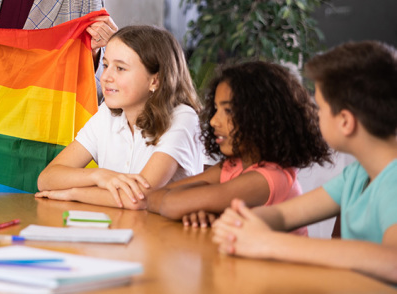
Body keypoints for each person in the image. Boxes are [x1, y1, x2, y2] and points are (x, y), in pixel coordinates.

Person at [212, 41, 397, 284]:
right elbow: (283, 216)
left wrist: (270, 243)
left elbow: (391, 261)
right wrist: (242, 223)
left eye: (320, 107)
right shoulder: (357, 175)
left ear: (345, 122)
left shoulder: (393, 181)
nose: (315, 114)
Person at [141, 61, 332, 230]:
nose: (214, 121)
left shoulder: (268, 178)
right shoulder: (233, 166)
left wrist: (196, 203)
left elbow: (171, 205)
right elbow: (154, 197)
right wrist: (197, 205)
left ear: (263, 117)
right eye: (216, 109)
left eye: (229, 110)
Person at [35, 25, 203, 206]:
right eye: (106, 65)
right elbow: (46, 179)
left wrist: (73, 193)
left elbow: (139, 199)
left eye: (120, 68)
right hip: (116, 228)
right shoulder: (107, 115)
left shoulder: (182, 118)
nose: (106, 76)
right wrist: (99, 176)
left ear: (155, 80)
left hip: (162, 233)